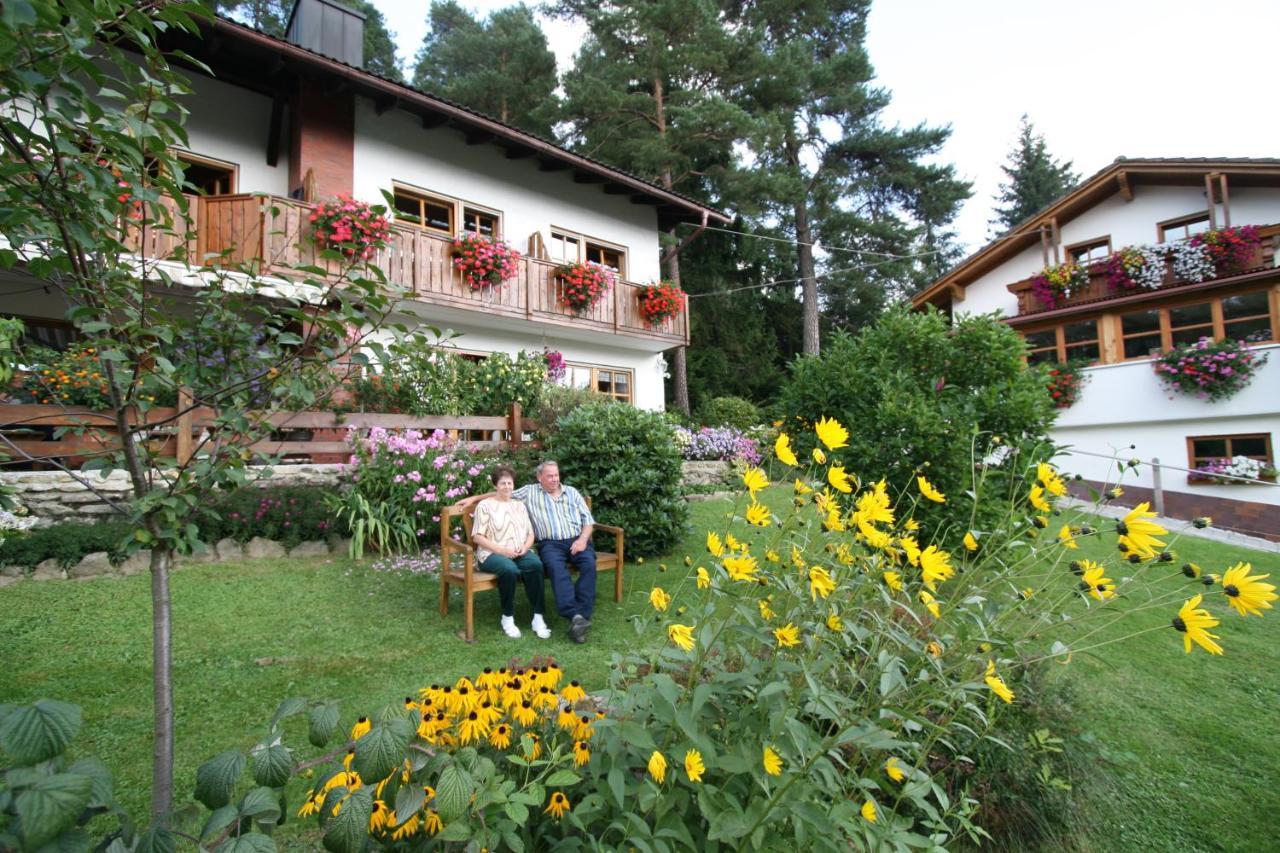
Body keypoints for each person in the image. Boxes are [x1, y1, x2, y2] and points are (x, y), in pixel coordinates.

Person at [512, 460, 597, 644]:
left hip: (577, 540)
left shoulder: (572, 492)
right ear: (539, 477)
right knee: (557, 570)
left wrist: (582, 540)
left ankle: (580, 616)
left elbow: (588, 521)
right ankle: (574, 615)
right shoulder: (530, 491)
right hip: (550, 544)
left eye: (556, 475)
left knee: (589, 565)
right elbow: (502, 494)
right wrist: (472, 499)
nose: (554, 479)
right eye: (549, 476)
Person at [470, 465, 551, 639]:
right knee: (509, 570)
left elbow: (531, 533)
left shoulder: (519, 505)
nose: (507, 487)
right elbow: (477, 537)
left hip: (519, 551)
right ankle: (507, 617)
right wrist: (502, 550)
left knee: (536, 565)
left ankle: (538, 617)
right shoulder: (485, 506)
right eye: (502, 483)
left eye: (510, 483)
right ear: (495, 486)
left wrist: (525, 547)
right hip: (491, 554)